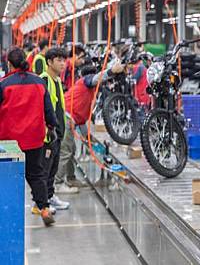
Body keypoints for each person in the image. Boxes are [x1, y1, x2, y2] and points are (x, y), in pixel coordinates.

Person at [0, 47, 58, 226]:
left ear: (9, 64)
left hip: (9, 141)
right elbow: (49, 110)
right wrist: (51, 126)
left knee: (9, 175)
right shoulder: (39, 82)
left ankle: (8, 212)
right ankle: (44, 208)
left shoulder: (4, 84)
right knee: (36, 174)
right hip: (34, 138)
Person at [56, 61, 125, 190]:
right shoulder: (86, 81)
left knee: (70, 151)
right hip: (66, 117)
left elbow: (82, 121)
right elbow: (96, 78)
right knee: (65, 152)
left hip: (69, 118)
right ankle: (57, 185)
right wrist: (111, 71)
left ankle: (71, 178)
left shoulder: (86, 91)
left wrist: (88, 139)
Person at [38, 47, 75, 213]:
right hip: (48, 135)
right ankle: (41, 203)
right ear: (49, 62)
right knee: (44, 170)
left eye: (63, 60)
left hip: (57, 134)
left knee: (52, 168)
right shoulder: (44, 80)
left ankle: (50, 197)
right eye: (58, 60)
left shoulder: (58, 81)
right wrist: (48, 130)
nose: (62, 63)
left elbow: (59, 106)